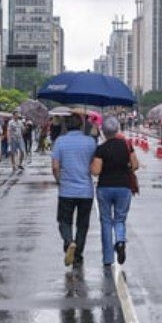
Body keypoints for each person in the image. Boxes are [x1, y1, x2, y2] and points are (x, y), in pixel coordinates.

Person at [51, 114, 98, 267]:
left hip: (66, 190)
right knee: (82, 224)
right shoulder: (90, 142)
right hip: (86, 190)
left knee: (64, 221)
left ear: (66, 125)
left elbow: (55, 167)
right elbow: (95, 165)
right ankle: (78, 254)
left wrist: (59, 180)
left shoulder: (60, 141)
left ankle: (68, 241)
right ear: (81, 125)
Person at [92, 117, 138, 268]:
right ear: (117, 129)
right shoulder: (127, 146)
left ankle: (108, 258)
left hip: (105, 187)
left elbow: (96, 171)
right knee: (120, 219)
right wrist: (126, 167)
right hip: (123, 187)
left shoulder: (101, 149)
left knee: (106, 221)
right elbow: (135, 165)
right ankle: (120, 241)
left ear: (104, 132)